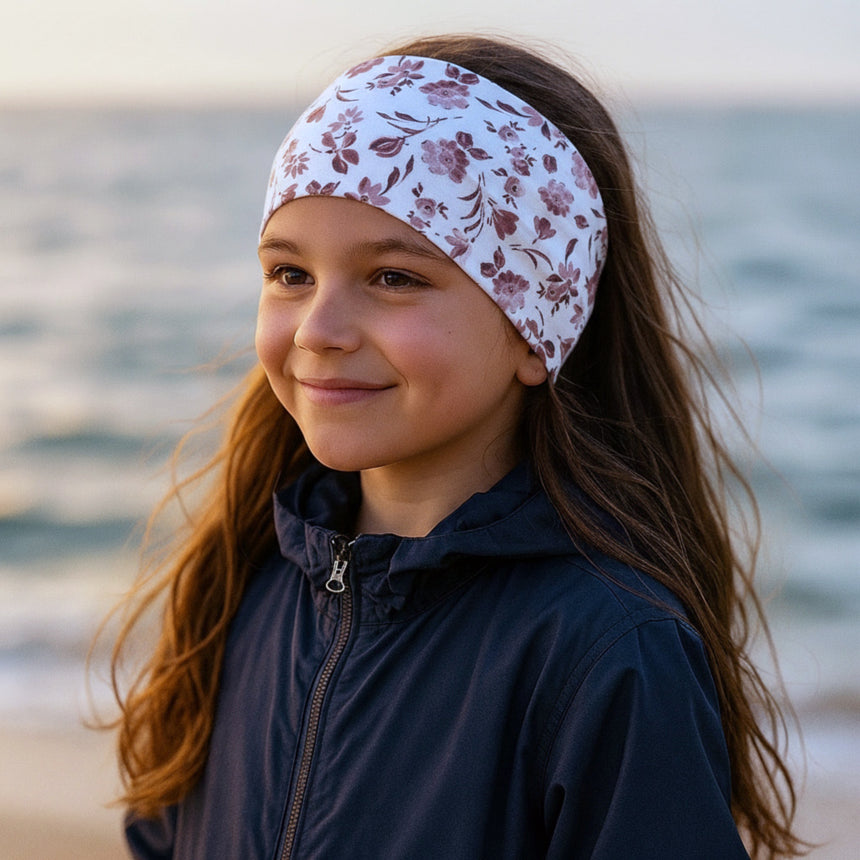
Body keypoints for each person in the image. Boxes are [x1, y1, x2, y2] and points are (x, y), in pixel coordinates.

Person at [106, 34, 804, 859]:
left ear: (535, 327)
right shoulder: (242, 580)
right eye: (290, 273)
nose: (320, 330)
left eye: (394, 278)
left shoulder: (606, 653)